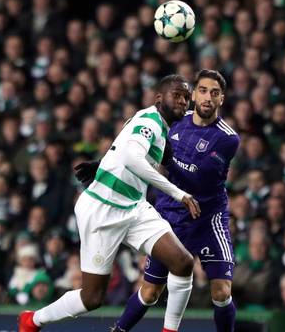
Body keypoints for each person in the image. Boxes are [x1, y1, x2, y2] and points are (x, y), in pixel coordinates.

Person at [18, 75, 201, 332]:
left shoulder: (161, 126)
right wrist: (178, 194)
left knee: (182, 263)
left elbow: (123, 148)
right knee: (91, 298)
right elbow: (131, 157)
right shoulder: (150, 120)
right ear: (159, 98)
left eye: (186, 97)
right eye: (177, 95)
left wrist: (104, 163)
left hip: (134, 208)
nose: (183, 101)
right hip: (102, 210)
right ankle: (31, 320)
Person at [78, 70, 240, 332]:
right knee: (151, 291)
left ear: (222, 99)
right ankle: (118, 330)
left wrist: (160, 162)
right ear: (193, 94)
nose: (208, 97)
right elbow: (139, 148)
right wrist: (104, 165)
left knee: (221, 292)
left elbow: (196, 178)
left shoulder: (228, 138)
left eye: (215, 92)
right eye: (202, 90)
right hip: (170, 213)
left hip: (207, 217)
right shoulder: (173, 120)